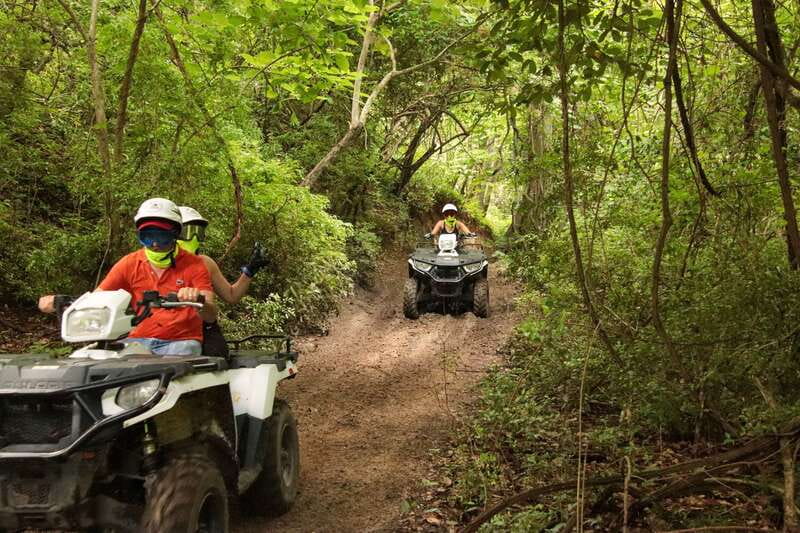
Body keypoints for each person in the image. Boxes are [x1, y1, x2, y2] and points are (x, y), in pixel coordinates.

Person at [39, 198, 217, 356]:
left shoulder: (195, 264)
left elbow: (210, 315)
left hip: (180, 342)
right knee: (95, 363)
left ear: (174, 235)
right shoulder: (130, 263)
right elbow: (98, 298)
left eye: (161, 237)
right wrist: (59, 302)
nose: (154, 244)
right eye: (147, 237)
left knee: (174, 363)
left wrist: (198, 300)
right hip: (137, 340)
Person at [177, 206, 269, 356]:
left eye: (198, 232)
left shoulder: (205, 263)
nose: (193, 238)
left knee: (215, 359)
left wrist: (250, 270)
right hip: (163, 332)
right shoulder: (149, 264)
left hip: (204, 329)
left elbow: (231, 295)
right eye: (187, 231)